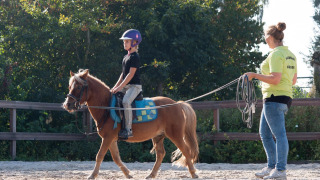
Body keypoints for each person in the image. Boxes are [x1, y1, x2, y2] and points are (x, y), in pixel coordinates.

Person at [245, 22, 297, 179]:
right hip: (283, 97)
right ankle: (272, 166)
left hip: (273, 98)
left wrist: (253, 75)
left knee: (279, 135)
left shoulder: (275, 54)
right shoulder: (290, 55)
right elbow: (293, 80)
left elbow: (275, 79)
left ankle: (280, 170)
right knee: (265, 133)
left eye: (265, 36)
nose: (264, 39)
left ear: (269, 37)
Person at [111, 29, 142, 139]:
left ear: (134, 42)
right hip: (126, 86)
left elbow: (130, 75)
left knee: (126, 101)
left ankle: (128, 129)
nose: (124, 43)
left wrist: (120, 87)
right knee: (112, 97)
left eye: (127, 41)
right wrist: (115, 87)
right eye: (124, 42)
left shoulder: (135, 57)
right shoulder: (126, 57)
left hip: (134, 86)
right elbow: (123, 74)